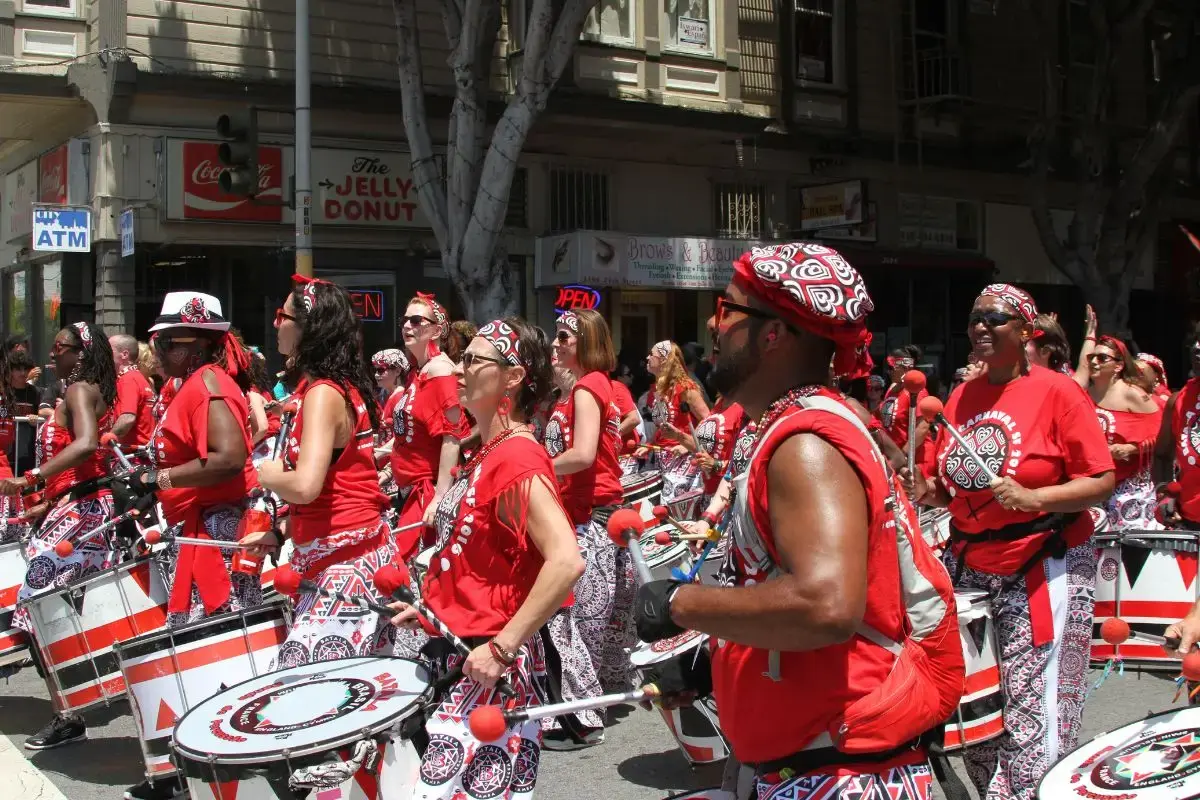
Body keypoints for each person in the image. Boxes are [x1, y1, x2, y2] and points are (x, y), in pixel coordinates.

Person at [635, 243, 960, 800]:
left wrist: (676, 605)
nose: (715, 327)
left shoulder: (806, 444)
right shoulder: (791, 427)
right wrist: (715, 660)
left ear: (772, 335)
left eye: (727, 310)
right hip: (815, 764)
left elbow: (824, 605)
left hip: (839, 774)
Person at [915, 283, 1114, 800]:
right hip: (971, 568)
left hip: (1043, 564)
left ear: (1026, 331)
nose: (980, 326)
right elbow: (953, 486)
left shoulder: (1058, 391)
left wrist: (1034, 498)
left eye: (995, 318)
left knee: (1033, 712)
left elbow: (1100, 480)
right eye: (975, 317)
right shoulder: (961, 396)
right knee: (980, 712)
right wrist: (930, 490)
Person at [387, 317, 584, 800]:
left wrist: (502, 647)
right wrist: (433, 612)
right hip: (461, 650)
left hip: (489, 663)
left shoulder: (516, 458)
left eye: (473, 360)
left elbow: (564, 559)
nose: (458, 369)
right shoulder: (490, 451)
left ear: (512, 377)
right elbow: (489, 555)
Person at [257, 275, 396, 667]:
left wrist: (268, 477)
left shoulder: (323, 395)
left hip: (346, 563)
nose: (276, 324)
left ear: (307, 328)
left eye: (281, 315)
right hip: (342, 554)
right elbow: (337, 479)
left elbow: (304, 485)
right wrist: (281, 529)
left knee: (312, 695)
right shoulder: (328, 389)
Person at [3, 322, 117, 752]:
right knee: (51, 609)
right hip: (74, 506)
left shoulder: (79, 390)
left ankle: (69, 714)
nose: (52, 355)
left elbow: (86, 445)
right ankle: (71, 707)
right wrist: (45, 502)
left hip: (86, 511)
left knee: (40, 605)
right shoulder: (78, 390)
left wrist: (30, 478)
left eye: (61, 348)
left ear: (82, 353)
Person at [541, 308, 623, 747]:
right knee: (574, 623)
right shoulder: (583, 388)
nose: (556, 344)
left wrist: (533, 470)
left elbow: (584, 454)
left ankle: (579, 722)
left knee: (567, 622)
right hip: (590, 515)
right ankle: (581, 714)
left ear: (587, 343)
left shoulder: (589, 387)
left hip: (589, 517)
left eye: (564, 338)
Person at [390, 293, 465, 560]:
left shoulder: (440, 372)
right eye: (405, 320)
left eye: (417, 320)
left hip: (427, 492)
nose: (407, 326)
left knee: (405, 577)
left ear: (438, 330)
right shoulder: (419, 372)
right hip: (408, 492)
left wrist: (439, 497)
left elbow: (452, 437)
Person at [1074, 324, 1162, 531]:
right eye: (1091, 358)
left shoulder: (1133, 394)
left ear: (1119, 365)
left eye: (1102, 358)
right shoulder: (1083, 395)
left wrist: (1130, 449)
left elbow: (1165, 437)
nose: (1094, 362)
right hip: (1094, 486)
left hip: (1131, 493)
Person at [639, 341, 710, 506]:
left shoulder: (686, 388)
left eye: (652, 354)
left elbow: (708, 421)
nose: (647, 357)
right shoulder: (658, 390)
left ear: (664, 360)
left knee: (674, 510)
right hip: (663, 459)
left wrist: (686, 445)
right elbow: (663, 427)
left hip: (685, 461)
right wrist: (649, 444)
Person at [1153, 325, 1200, 529]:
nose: (1197, 348)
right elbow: (1162, 455)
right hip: (1190, 524)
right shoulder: (1179, 400)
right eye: (1195, 342)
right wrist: (1165, 494)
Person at [371, 347, 411, 497]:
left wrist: (377, 454)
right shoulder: (383, 396)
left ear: (398, 371)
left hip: (393, 469)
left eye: (381, 370)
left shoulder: (400, 396)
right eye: (375, 370)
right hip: (385, 466)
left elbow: (401, 434)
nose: (376, 375)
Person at [109, 333, 156, 449]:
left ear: (124, 354)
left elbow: (127, 418)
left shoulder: (128, 379)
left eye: (109, 350)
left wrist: (108, 440)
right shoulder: (136, 376)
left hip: (134, 455)